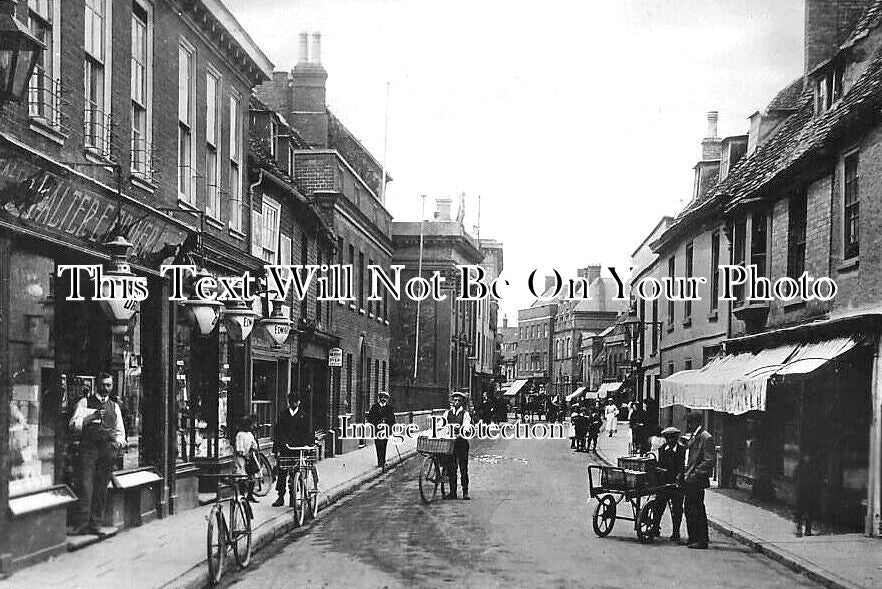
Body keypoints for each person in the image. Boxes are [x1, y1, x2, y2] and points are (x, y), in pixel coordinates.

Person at [69, 372, 126, 535]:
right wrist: (91, 417)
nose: (105, 388)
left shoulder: (114, 406)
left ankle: (96, 525)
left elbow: (121, 431)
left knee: (101, 488)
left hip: (107, 451)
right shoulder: (85, 402)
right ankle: (82, 525)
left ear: (112, 386)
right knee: (86, 486)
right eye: (103, 384)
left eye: (109, 385)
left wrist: (117, 444)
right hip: (88, 449)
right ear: (97, 385)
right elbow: (73, 425)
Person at [271, 392, 312, 507]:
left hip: (298, 448)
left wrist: (308, 445)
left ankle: (293, 496)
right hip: (285, 448)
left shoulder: (303, 415)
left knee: (295, 473)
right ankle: (280, 497)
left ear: (299, 402)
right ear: (289, 402)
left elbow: (307, 432)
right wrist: (277, 449)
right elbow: (278, 433)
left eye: (296, 401)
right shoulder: (283, 415)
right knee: (282, 473)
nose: (294, 403)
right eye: (292, 401)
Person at [681, 411, 715, 549]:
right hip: (689, 477)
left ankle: (701, 539)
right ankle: (692, 537)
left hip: (696, 480)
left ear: (696, 422)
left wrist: (695, 474)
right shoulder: (694, 436)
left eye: (690, 422)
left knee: (697, 509)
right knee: (689, 508)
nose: (688, 425)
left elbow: (709, 460)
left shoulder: (705, 437)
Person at [655, 426, 686, 542]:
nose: (670, 440)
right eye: (668, 438)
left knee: (677, 509)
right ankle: (655, 527)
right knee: (659, 506)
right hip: (664, 483)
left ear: (676, 438)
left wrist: (680, 475)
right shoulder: (662, 449)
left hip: (677, 484)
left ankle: (676, 532)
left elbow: (684, 466)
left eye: (673, 438)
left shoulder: (682, 450)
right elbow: (659, 464)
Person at [443, 391, 472, 500]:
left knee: (463, 468)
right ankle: (453, 492)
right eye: (455, 400)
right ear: (452, 401)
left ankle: (465, 492)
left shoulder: (465, 414)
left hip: (462, 444)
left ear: (462, 402)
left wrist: (461, 433)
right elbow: (442, 424)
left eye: (459, 400)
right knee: (452, 468)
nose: (456, 402)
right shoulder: (447, 413)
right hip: (451, 444)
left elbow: (466, 426)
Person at [793, 450, 822, 537]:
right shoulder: (799, 467)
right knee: (800, 512)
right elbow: (795, 479)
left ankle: (807, 530)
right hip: (802, 493)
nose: (807, 458)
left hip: (809, 493)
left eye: (808, 457)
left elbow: (817, 480)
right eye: (806, 457)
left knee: (809, 512)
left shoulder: (813, 468)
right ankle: (799, 530)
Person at [234, 414, 260, 503]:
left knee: (252, 476)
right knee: (242, 475)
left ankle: (250, 494)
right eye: (252, 425)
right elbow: (239, 448)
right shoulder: (240, 435)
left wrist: (253, 447)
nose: (253, 427)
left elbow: (254, 444)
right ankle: (242, 495)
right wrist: (244, 454)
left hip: (249, 456)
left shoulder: (250, 434)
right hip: (241, 458)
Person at [367, 390, 396, 469]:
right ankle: (380, 461)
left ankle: (383, 461)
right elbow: (369, 418)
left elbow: (393, 420)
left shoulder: (389, 408)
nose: (383, 399)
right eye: (382, 397)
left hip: (386, 431)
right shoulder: (375, 407)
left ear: (387, 399)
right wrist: (377, 421)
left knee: (384, 445)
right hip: (377, 430)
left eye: (385, 398)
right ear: (379, 398)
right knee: (378, 445)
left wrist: (389, 425)